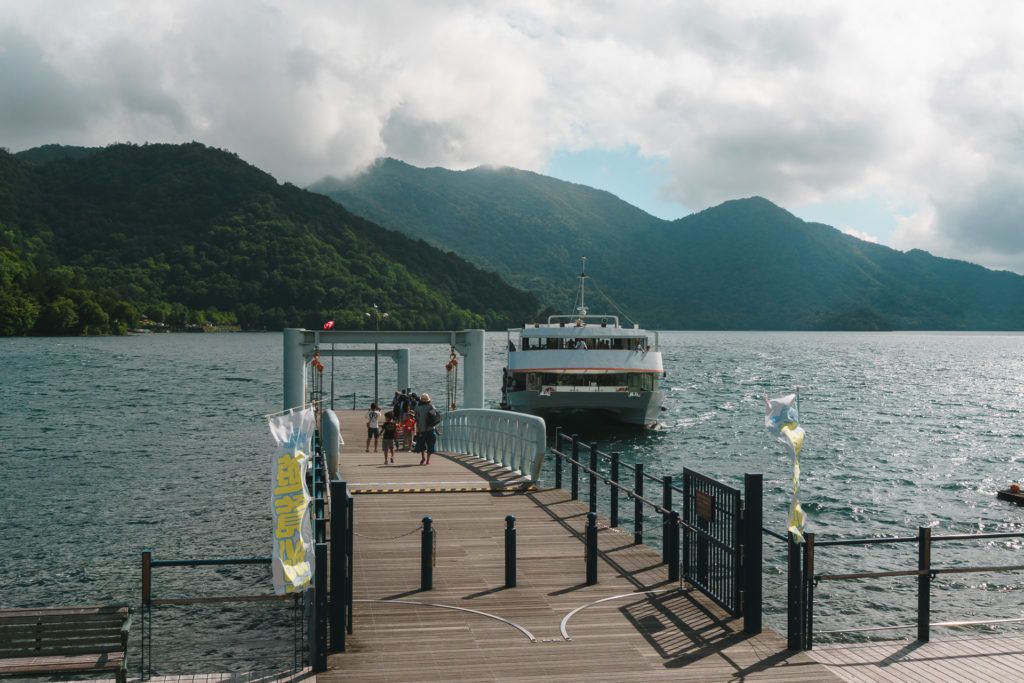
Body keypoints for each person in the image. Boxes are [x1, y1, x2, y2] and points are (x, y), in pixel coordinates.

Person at [414, 392, 440, 465]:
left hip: (421, 429)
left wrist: (417, 428)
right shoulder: (431, 406)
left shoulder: (417, 407)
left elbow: (416, 418)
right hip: (430, 428)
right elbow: (434, 418)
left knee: (421, 444)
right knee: (430, 444)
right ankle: (428, 460)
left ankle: (423, 457)